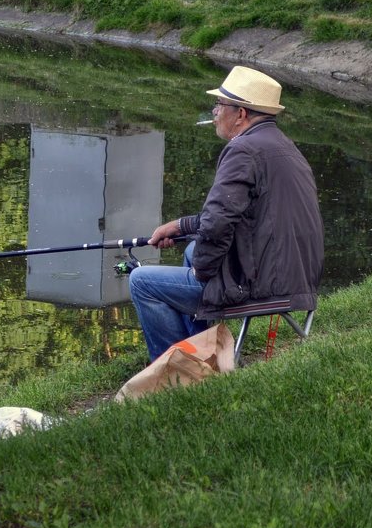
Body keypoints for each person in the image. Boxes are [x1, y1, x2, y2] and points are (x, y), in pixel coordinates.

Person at [129, 66, 324, 361]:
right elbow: (236, 216)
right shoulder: (282, 144)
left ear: (241, 113)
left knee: (141, 281)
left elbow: (217, 226)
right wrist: (180, 226)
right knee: (193, 249)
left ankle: (178, 372)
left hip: (265, 286)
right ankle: (204, 356)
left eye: (220, 105)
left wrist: (201, 274)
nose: (215, 112)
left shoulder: (242, 150)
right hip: (298, 279)